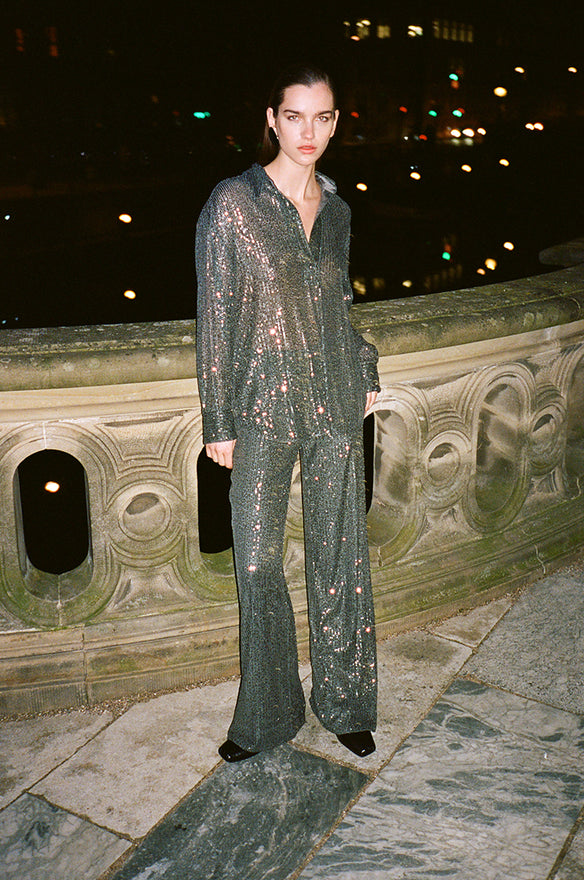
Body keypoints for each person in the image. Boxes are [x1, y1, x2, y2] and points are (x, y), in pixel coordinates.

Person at [195, 64, 379, 762]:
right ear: (271, 119)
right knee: (256, 562)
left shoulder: (337, 210)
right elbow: (215, 318)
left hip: (335, 399)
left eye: (322, 117)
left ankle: (345, 701)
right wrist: (218, 421)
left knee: (341, 554)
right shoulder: (233, 204)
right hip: (262, 406)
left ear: (335, 123)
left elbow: (339, 303)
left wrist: (364, 366)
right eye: (295, 116)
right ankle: (268, 714)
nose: (309, 132)